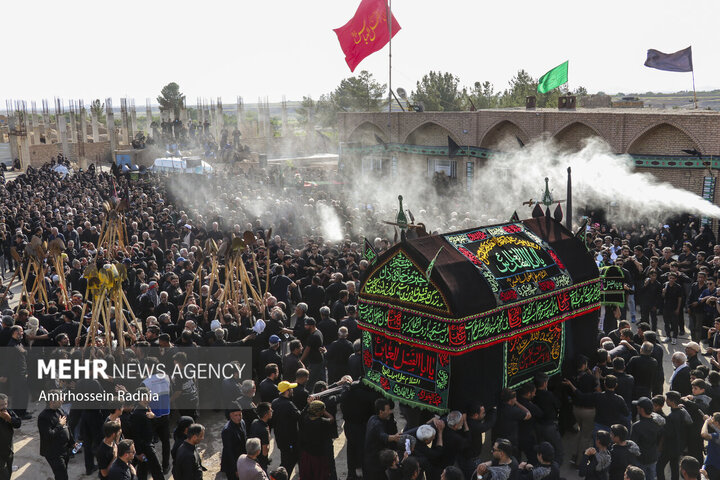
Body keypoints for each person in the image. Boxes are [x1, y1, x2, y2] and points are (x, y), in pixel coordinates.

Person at [38, 390, 75, 480]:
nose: (62, 400)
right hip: (53, 453)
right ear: (51, 402)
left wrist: (72, 442)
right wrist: (60, 425)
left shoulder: (59, 410)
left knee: (63, 472)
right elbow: (49, 435)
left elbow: (67, 427)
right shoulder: (43, 417)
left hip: (64, 449)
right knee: (62, 476)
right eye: (60, 398)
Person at [298, 400, 336, 480]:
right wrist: (325, 411)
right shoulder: (322, 422)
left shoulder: (305, 419)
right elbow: (331, 419)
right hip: (319, 454)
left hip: (308, 452)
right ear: (319, 411)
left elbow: (302, 414)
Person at [364, 398, 401, 479]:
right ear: (381, 412)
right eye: (387, 410)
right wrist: (394, 437)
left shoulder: (373, 418)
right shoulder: (376, 424)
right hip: (374, 462)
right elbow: (383, 436)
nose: (389, 412)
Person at [657, 392, 691, 480]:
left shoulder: (671, 417)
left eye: (667, 399)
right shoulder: (682, 412)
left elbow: (668, 433)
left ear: (672, 401)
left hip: (669, 447)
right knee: (674, 468)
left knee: (659, 466)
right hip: (679, 446)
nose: (666, 401)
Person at [271, 381, 301, 476]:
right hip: (290, 440)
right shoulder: (289, 404)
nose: (292, 390)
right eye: (290, 389)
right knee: (289, 462)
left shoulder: (274, 402)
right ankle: (279, 477)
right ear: (287, 391)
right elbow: (299, 416)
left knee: (285, 458)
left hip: (280, 438)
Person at [630, 397, 663, 480]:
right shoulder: (657, 423)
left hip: (640, 460)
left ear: (641, 409)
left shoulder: (637, 426)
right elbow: (660, 439)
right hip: (653, 457)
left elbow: (633, 445)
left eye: (638, 407)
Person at [221, 403, 247, 480]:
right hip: (232, 462)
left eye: (240, 414)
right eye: (236, 415)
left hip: (242, 459)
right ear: (231, 415)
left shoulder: (242, 422)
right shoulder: (227, 430)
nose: (239, 417)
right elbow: (229, 451)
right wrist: (235, 469)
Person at [0, 393, 20, 480]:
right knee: (4, 475)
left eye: (5, 404)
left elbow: (18, 424)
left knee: (9, 470)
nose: (3, 407)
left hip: (8, 449)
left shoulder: (9, 412)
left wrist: (9, 419)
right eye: (0, 405)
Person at [249, 403, 272, 471]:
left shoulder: (255, 422)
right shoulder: (264, 430)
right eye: (270, 411)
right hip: (261, 461)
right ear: (266, 415)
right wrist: (268, 438)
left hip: (253, 456)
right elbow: (265, 452)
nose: (272, 411)